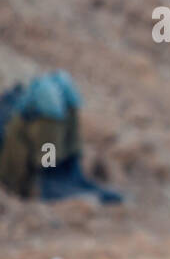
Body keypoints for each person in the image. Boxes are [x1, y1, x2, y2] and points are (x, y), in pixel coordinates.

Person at [0, 72, 121, 203]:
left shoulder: (59, 117)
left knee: (58, 95)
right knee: (50, 101)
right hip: (30, 173)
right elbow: (45, 158)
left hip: (48, 164)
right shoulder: (46, 118)